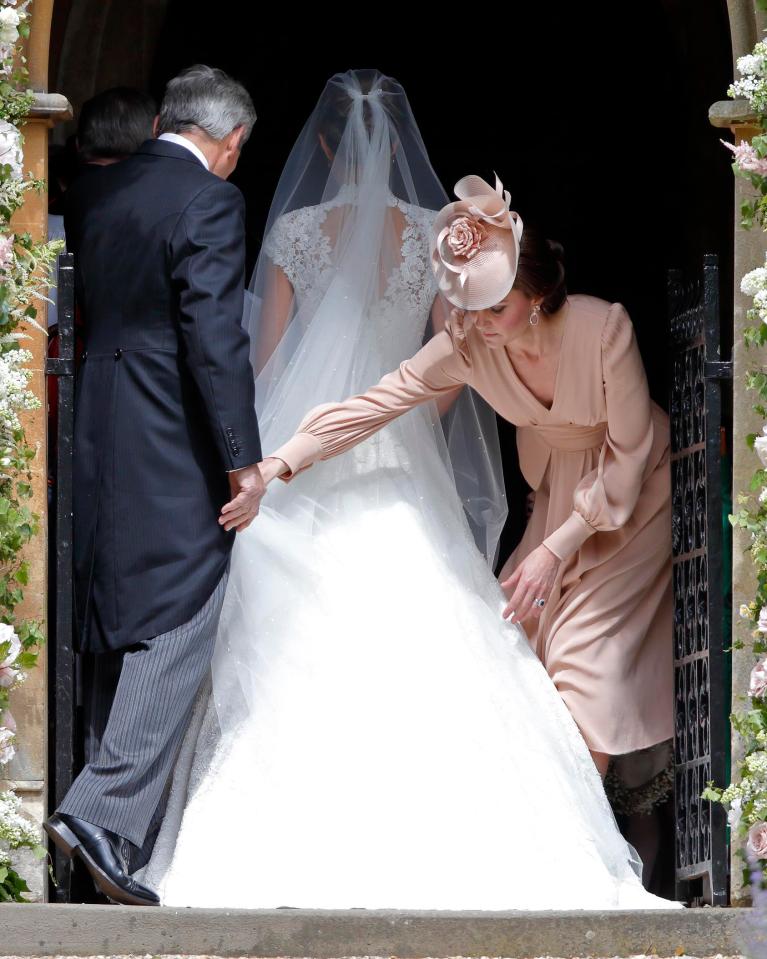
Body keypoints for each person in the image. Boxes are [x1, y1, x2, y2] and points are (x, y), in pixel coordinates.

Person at [137, 70, 678, 911]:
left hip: (621, 500)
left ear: (533, 298)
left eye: (490, 309)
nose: (471, 321)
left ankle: (598, 838)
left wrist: (554, 549)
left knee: (575, 664)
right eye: (464, 308)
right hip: (552, 494)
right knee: (521, 647)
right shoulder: (463, 343)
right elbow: (371, 403)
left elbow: (629, 453)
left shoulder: (602, 328)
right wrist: (279, 463)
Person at [44, 65, 265, 907]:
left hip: (96, 427)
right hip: (169, 433)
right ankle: (99, 812)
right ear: (230, 140)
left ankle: (98, 845)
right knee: (187, 604)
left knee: (117, 611)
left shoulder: (99, 191)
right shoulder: (208, 200)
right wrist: (243, 459)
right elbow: (214, 336)